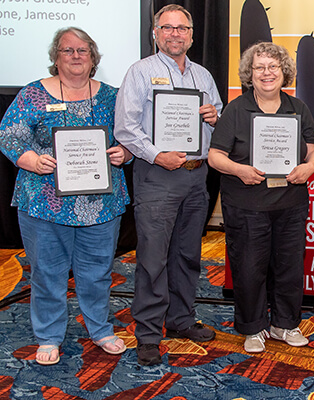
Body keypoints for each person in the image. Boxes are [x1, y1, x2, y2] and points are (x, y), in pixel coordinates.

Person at [0, 27, 131, 365]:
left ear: (93, 57)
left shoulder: (114, 97)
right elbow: (10, 135)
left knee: (98, 271)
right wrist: (30, 159)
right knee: (47, 271)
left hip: (101, 203)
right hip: (44, 201)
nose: (75, 56)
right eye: (67, 50)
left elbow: (134, 135)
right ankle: (48, 335)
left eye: (82, 50)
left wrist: (125, 152)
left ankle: (100, 329)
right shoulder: (33, 94)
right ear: (55, 58)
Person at [114, 4, 223, 366]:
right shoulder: (140, 72)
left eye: (182, 28)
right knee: (153, 258)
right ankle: (147, 332)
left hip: (196, 175)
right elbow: (126, 128)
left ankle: (180, 319)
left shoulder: (204, 77)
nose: (175, 34)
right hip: (157, 174)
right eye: (168, 28)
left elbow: (217, 122)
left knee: (188, 254)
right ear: (155, 33)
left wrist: (214, 116)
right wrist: (157, 154)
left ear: (192, 35)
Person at [208, 42, 314, 351]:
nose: (267, 73)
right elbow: (215, 157)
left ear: (284, 72)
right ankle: (253, 327)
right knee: (249, 267)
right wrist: (239, 170)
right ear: (250, 74)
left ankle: (285, 324)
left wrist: (308, 168)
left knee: (289, 266)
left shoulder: (298, 108)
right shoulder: (236, 109)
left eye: (273, 66)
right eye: (259, 67)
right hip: (247, 204)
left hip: (290, 204)